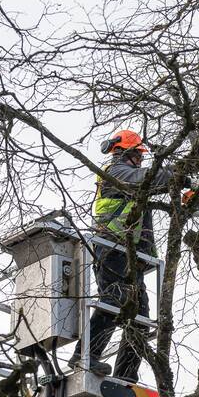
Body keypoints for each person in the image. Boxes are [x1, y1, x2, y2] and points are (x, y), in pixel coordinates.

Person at [69, 129, 187, 383]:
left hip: (131, 256)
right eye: (139, 155)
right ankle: (84, 356)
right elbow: (147, 178)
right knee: (114, 300)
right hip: (111, 248)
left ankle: (125, 376)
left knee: (141, 318)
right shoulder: (116, 172)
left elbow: (153, 183)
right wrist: (179, 171)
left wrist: (182, 180)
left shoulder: (132, 178)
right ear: (127, 153)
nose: (142, 160)